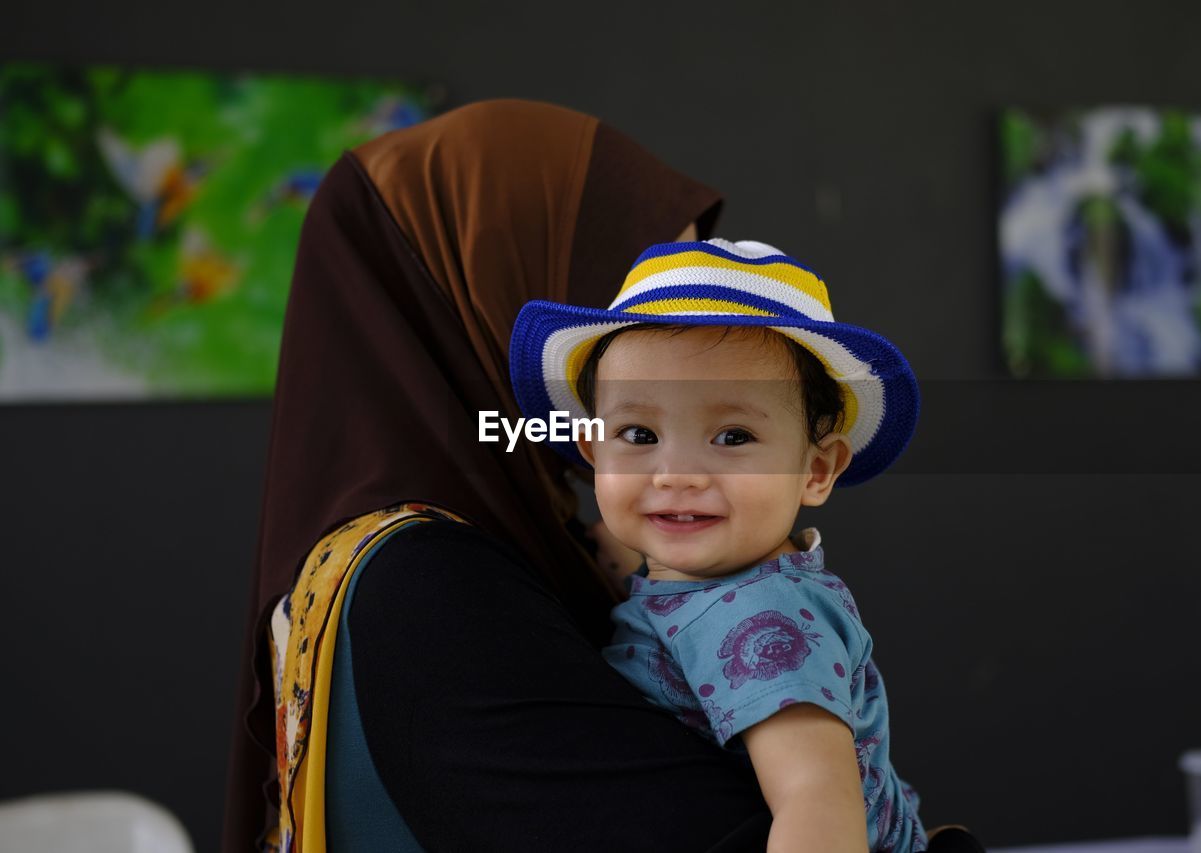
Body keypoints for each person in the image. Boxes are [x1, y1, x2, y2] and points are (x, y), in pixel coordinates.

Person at [221, 98, 784, 852]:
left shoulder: (516, 537)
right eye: (643, 306)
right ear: (508, 294)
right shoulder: (425, 588)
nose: (691, 350)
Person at [509, 239, 985, 852]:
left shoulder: (762, 622)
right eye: (639, 433)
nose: (675, 473)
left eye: (732, 436)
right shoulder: (708, 584)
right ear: (593, 451)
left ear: (815, 470)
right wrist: (623, 556)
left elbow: (816, 797)